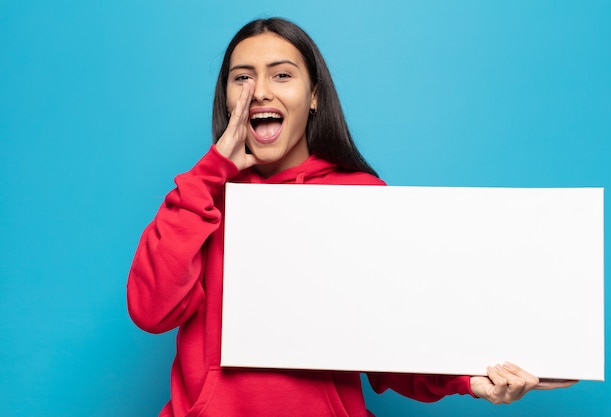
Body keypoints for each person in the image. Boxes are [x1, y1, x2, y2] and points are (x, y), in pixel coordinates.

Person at [127, 17, 575, 417]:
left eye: (282, 75)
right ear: (226, 97)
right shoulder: (201, 200)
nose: (259, 91)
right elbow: (151, 311)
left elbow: (393, 344)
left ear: (314, 95)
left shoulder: (360, 197)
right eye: (241, 78)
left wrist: (471, 381)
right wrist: (210, 174)